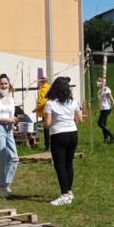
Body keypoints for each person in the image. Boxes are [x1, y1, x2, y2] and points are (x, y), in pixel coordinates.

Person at [43, 76, 83, 206]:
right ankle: (69, 192)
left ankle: (64, 195)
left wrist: (45, 122)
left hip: (58, 135)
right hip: (73, 134)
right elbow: (79, 120)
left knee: (59, 165)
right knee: (68, 163)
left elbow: (47, 124)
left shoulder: (50, 103)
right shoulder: (73, 102)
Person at [96, 76, 114, 144]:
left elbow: (111, 99)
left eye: (100, 81)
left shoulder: (106, 89)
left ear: (103, 82)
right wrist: (98, 109)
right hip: (103, 109)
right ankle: (106, 139)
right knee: (104, 124)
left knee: (100, 123)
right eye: (98, 81)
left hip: (107, 109)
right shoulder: (99, 90)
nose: (98, 82)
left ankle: (112, 135)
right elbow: (100, 102)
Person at [34, 73, 52, 151]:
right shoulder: (50, 87)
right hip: (50, 111)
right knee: (51, 128)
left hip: (45, 111)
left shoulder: (42, 90)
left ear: (41, 82)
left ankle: (47, 146)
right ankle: (51, 145)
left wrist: (36, 109)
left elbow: (42, 102)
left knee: (46, 129)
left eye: (39, 82)